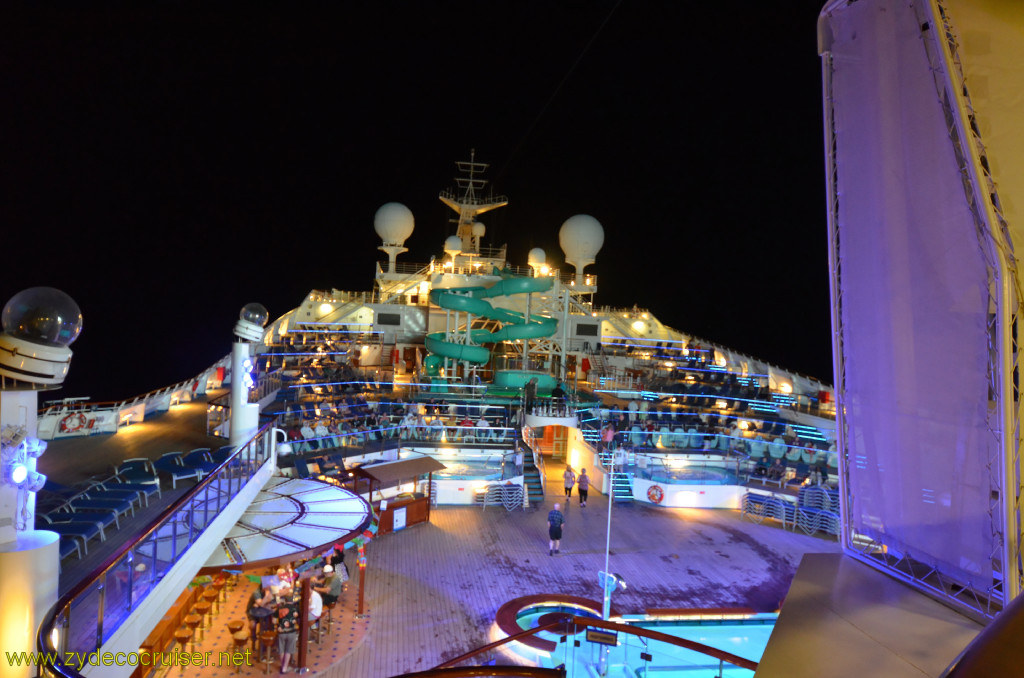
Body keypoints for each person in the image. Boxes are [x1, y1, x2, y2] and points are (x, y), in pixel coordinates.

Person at [274, 582, 300, 673]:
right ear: (292, 600)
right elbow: (298, 618)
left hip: (281, 632)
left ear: (284, 600)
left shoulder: (279, 608)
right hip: (292, 632)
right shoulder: (295, 608)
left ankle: (282, 665)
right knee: (288, 650)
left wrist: (277, 625)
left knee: (281, 649)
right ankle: (285, 667)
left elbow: (274, 621)